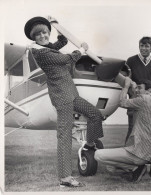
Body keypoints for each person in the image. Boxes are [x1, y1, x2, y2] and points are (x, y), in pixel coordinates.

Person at [24, 16, 104, 187]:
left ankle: (90, 144)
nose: (43, 36)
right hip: (62, 97)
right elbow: (67, 59)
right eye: (38, 34)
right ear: (34, 38)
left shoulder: (50, 48)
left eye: (45, 32)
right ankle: (65, 178)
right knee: (64, 135)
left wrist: (55, 24)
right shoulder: (41, 53)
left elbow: (63, 40)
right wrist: (82, 50)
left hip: (72, 94)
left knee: (95, 114)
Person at [94, 78, 151, 183]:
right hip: (150, 154)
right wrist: (135, 91)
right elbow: (138, 104)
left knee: (98, 155)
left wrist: (126, 86)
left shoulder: (142, 100)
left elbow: (123, 102)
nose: (137, 90)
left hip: (138, 154)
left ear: (148, 90)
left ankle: (136, 168)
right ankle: (140, 167)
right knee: (112, 166)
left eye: (140, 88)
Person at [125, 37, 151, 144]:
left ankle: (146, 157)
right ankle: (127, 155)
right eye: (141, 45)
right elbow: (127, 81)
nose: (144, 48)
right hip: (135, 102)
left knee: (148, 131)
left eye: (147, 46)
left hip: (149, 104)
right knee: (132, 130)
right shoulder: (131, 61)